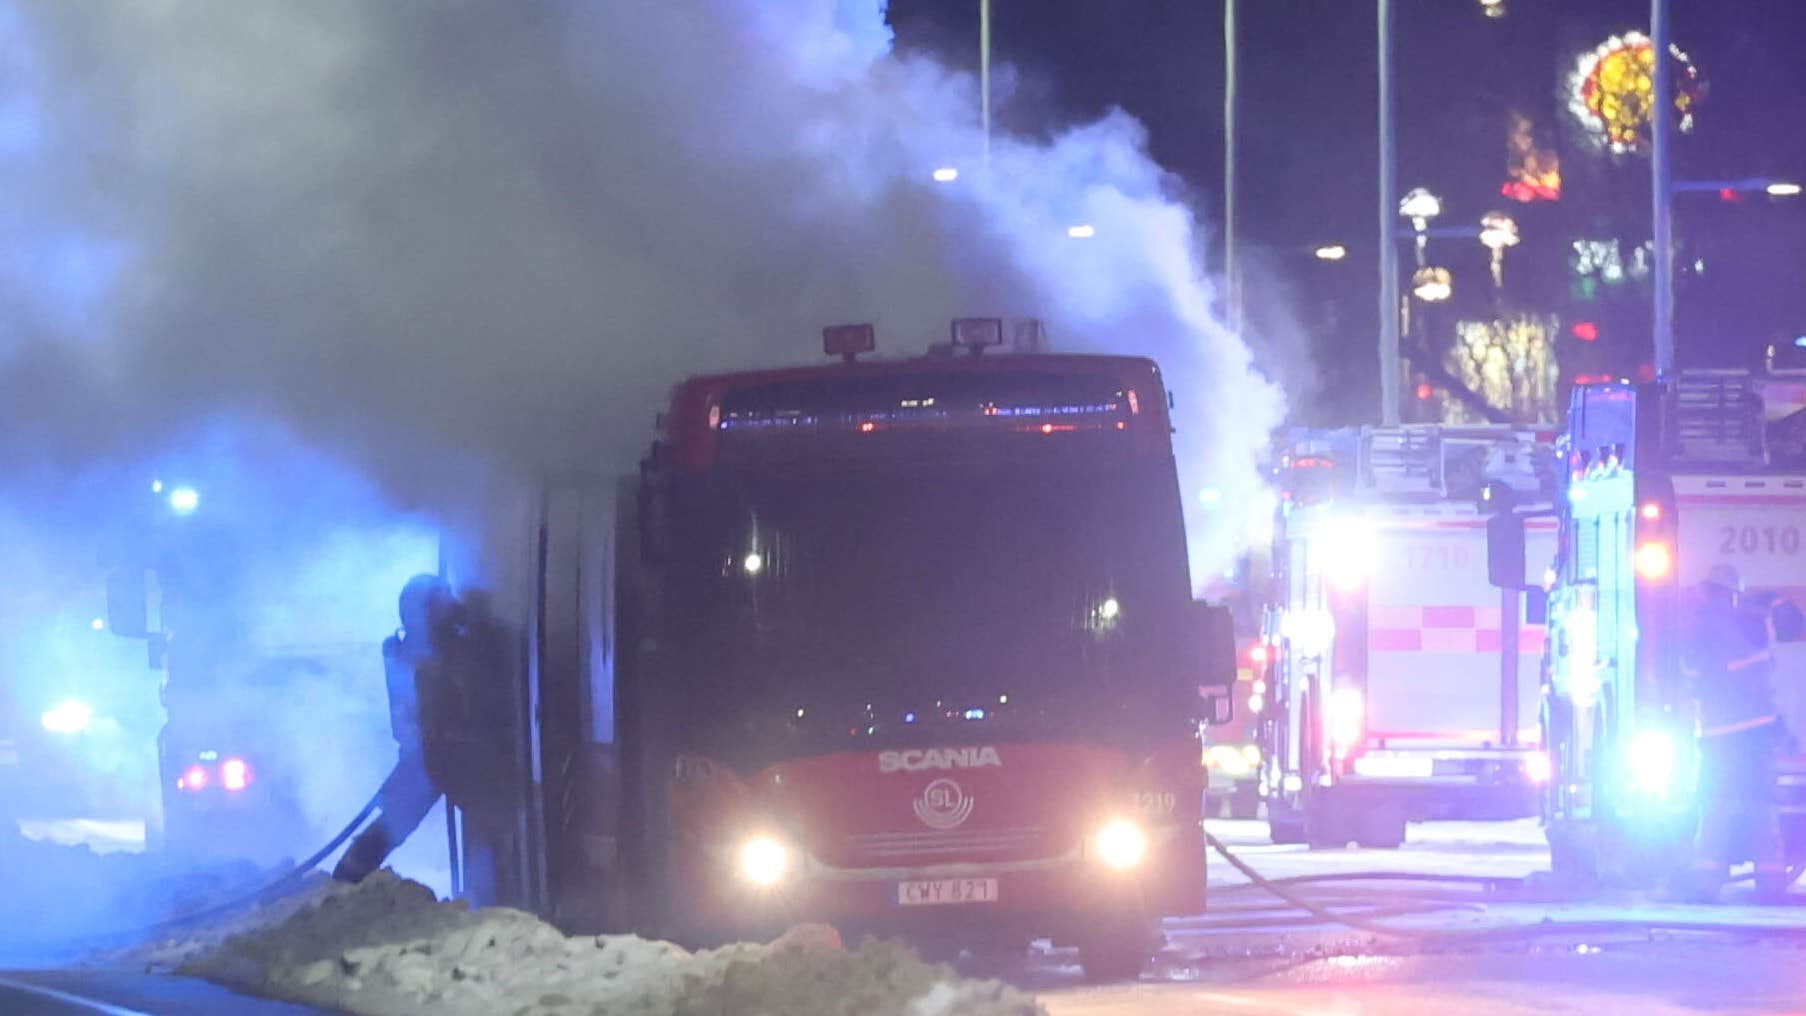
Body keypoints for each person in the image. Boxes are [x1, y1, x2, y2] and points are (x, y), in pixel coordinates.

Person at [332, 574, 460, 884]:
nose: (450, 608)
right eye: (440, 604)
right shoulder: (418, 656)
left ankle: (346, 879)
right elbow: (411, 715)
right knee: (395, 820)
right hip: (432, 755)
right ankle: (345, 879)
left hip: (437, 754)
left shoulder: (418, 651)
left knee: (397, 818)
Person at [1680, 564, 1787, 901]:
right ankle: (1769, 881)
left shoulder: (1698, 623)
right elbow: (1768, 675)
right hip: (1757, 732)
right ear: (1733, 593)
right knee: (1759, 803)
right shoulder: (1753, 625)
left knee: (1717, 804)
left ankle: (1705, 879)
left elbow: (1692, 672)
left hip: (1720, 733)